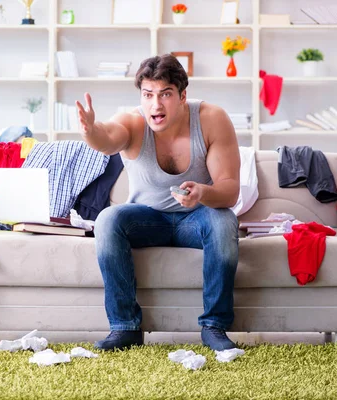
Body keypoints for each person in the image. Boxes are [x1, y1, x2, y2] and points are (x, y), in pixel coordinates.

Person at [76, 54, 241, 351]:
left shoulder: (211, 119)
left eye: (165, 94)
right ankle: (124, 327)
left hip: (197, 218)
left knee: (224, 219)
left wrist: (202, 193)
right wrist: (90, 131)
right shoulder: (133, 122)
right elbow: (108, 138)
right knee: (108, 219)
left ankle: (214, 326)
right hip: (147, 219)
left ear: (182, 96)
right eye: (148, 95)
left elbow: (229, 191)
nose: (156, 105)